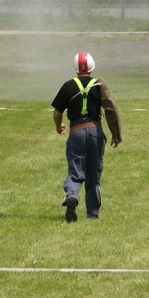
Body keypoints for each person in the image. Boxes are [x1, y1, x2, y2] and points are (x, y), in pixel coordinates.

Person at [51, 52, 122, 222]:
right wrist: (116, 134)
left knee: (76, 171)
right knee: (93, 173)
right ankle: (92, 214)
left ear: (76, 68)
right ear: (92, 67)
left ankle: (72, 195)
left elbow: (57, 112)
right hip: (95, 132)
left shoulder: (68, 86)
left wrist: (58, 126)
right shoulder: (99, 85)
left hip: (76, 132)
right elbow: (110, 109)